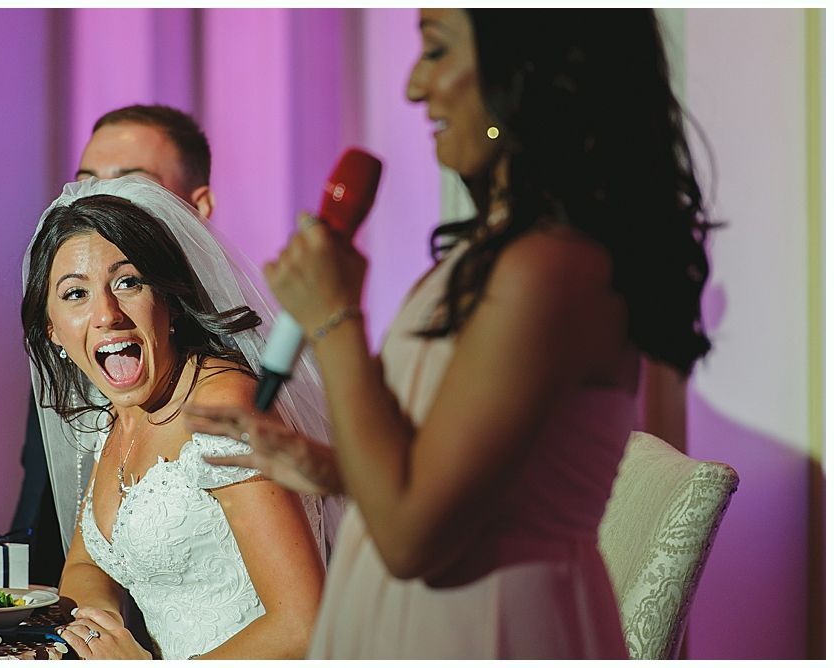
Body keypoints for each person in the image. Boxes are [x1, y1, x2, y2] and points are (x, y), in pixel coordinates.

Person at [185, 8, 714, 659]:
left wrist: (335, 318)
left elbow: (413, 537)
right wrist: (327, 467)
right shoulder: (493, 253)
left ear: (525, 69)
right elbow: (454, 477)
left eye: (435, 51)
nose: (413, 85)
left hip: (491, 623)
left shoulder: (551, 269)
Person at [21, 175, 329, 658]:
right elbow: (87, 565)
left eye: (128, 282)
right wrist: (99, 633)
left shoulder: (223, 408)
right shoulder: (116, 416)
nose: (107, 314)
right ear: (52, 330)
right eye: (76, 294)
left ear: (169, 301)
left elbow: (304, 623)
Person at [10, 104, 216, 586]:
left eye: (130, 185)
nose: (100, 202)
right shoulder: (76, 348)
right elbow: (41, 524)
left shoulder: (229, 385)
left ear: (198, 207)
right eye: (86, 183)